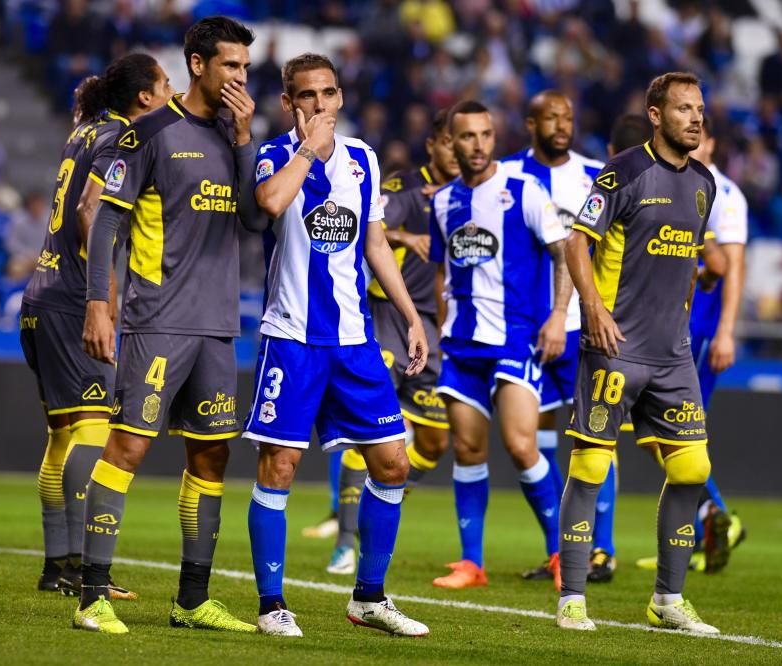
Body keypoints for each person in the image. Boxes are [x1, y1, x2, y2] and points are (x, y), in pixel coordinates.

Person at [76, 16, 267, 635]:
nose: (241, 76)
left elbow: (254, 223)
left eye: (245, 66)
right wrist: (98, 305)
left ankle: (192, 600)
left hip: (217, 325)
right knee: (127, 446)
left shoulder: (234, 134)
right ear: (196, 63)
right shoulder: (149, 132)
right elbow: (106, 222)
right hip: (156, 320)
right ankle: (92, 596)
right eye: (231, 65)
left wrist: (243, 139)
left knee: (212, 458)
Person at [244, 52, 429, 638]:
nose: (319, 104)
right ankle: (272, 605)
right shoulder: (273, 157)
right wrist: (307, 149)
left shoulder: (364, 161)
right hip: (292, 338)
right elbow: (270, 205)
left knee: (393, 462)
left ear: (341, 97)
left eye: (327, 93)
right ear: (288, 103)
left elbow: (374, 245)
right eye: (306, 96)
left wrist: (410, 316)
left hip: (355, 342)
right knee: (280, 465)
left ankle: (369, 597)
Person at [557, 72, 722, 634]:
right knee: (591, 467)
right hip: (615, 348)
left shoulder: (705, 183)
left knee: (693, 467)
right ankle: (573, 599)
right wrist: (592, 310)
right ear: (656, 115)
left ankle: (668, 601)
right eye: (683, 109)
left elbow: (688, 260)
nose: (696, 118)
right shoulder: (623, 172)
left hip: (673, 355)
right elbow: (576, 240)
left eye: (699, 109)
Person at [19, 53, 171, 598]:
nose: (173, 92)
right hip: (70, 302)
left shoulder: (84, 131)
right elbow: (90, 209)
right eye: (166, 84)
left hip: (41, 295)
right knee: (91, 430)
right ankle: (85, 572)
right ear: (145, 98)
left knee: (63, 435)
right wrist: (101, 302)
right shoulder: (120, 138)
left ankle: (56, 567)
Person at [429, 100, 570, 592]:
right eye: (467, 136)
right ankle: (472, 563)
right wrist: (433, 329)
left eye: (486, 135)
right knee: (467, 449)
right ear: (451, 141)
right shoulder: (443, 202)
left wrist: (557, 317)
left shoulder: (523, 190)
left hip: (515, 339)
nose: (479, 145)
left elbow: (565, 255)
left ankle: (559, 554)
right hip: (462, 346)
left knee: (519, 444)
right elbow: (441, 270)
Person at [326, 108, 459, 576]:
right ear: (434, 145)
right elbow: (369, 226)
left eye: (462, 142)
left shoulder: (465, 196)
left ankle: (382, 495)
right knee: (369, 429)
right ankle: (345, 542)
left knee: (436, 440)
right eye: (448, 141)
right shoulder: (405, 190)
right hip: (387, 318)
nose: (457, 151)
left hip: (435, 326)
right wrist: (407, 235)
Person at [500, 90, 608, 583]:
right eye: (551, 116)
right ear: (531, 122)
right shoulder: (507, 177)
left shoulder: (593, 175)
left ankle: (601, 549)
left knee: (595, 432)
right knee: (529, 437)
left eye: (568, 116)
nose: (562, 124)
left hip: (580, 328)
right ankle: (558, 551)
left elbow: (607, 247)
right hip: (524, 330)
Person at [635, 114, 749, 574]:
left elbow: (732, 267)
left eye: (701, 133)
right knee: (655, 432)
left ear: (713, 142)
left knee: (675, 430)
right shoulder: (676, 183)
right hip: (672, 328)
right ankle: (707, 521)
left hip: (700, 331)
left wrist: (726, 330)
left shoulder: (724, 193)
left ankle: (716, 515)